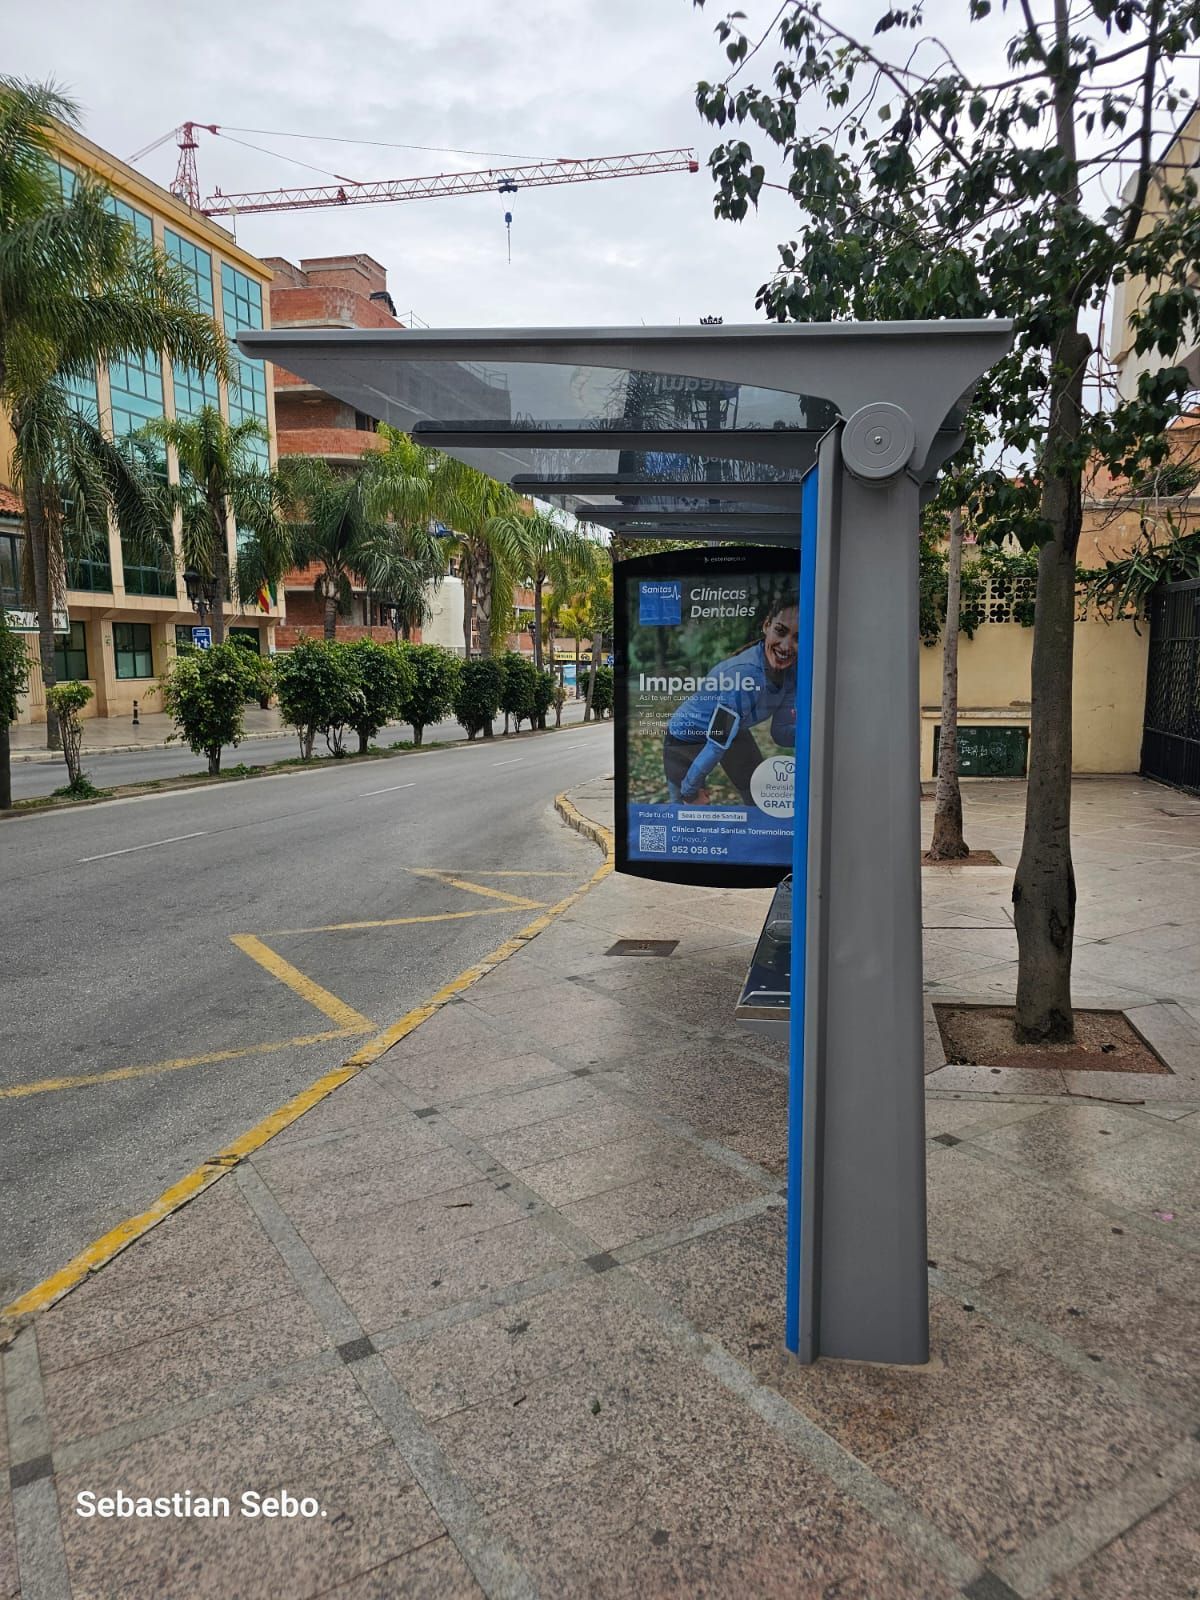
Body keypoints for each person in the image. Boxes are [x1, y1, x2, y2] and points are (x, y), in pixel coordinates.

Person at [663, 592, 799, 804]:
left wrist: (815, 733)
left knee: (759, 796)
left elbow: (780, 733)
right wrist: (689, 791)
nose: (786, 646)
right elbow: (717, 742)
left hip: (732, 732)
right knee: (687, 812)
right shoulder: (744, 674)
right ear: (767, 626)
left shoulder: (792, 672)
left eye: (798, 638)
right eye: (780, 631)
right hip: (686, 737)